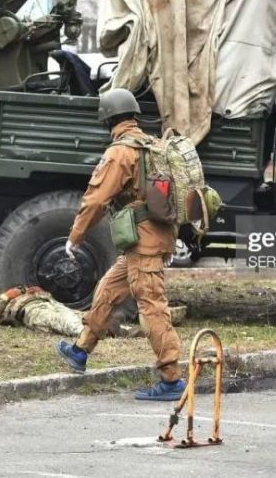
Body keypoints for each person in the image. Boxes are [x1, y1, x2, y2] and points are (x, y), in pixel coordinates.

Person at [55, 89, 186, 401]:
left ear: (107, 119)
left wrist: (75, 237)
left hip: (144, 242)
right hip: (154, 237)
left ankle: (170, 379)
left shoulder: (120, 153)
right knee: (109, 289)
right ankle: (80, 351)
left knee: (152, 306)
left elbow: (96, 199)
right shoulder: (153, 144)